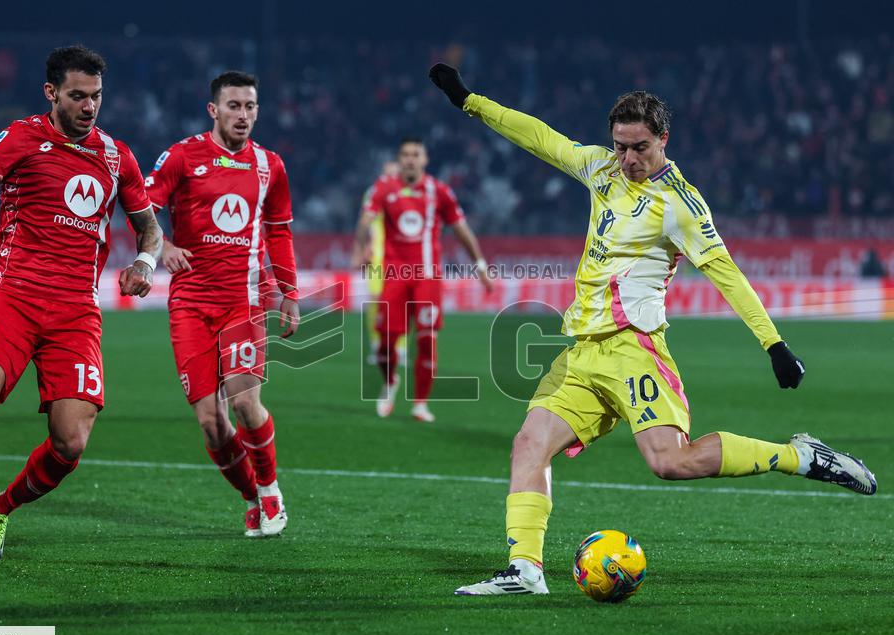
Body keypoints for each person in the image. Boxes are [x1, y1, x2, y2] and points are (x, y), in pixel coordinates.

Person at [428, 63, 878, 595]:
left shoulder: (680, 206)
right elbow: (540, 137)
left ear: (664, 139)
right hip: (582, 353)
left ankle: (801, 456)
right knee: (529, 444)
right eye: (619, 146)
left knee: (671, 462)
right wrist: (468, 100)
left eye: (639, 147)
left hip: (634, 349)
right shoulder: (602, 170)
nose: (628, 159)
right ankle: (525, 570)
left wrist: (774, 344)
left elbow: (725, 274)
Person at [0, 45, 162, 564]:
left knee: (70, 444)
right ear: (52, 94)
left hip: (75, 312)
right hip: (13, 297)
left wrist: (145, 265)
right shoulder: (23, 137)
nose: (89, 107)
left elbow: (150, 229)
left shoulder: (119, 157)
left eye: (97, 97)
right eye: (77, 96)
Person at [145, 71, 298, 537]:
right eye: (234, 106)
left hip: (243, 301)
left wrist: (289, 293)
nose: (243, 115)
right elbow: (142, 204)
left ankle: (271, 493)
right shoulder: (181, 155)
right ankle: (251, 495)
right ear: (213, 110)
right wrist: (161, 246)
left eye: (250, 106)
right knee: (213, 423)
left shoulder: (270, 165)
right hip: (190, 302)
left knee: (246, 402)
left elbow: (280, 232)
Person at [352, 137, 492, 422]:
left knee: (427, 339)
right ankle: (390, 381)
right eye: (405, 154)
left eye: (416, 154)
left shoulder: (438, 191)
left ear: (425, 159)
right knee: (386, 341)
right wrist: (362, 249)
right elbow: (365, 220)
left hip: (427, 277)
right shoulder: (384, 188)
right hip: (394, 275)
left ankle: (420, 403)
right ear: (399, 159)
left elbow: (461, 229)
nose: (410, 159)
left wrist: (479, 264)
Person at [361, 161, 407, 366]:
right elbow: (365, 221)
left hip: (401, 254)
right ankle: (377, 345)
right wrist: (365, 245)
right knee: (375, 300)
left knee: (402, 302)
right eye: (387, 174)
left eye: (394, 174)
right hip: (379, 253)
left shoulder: (409, 192)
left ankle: (401, 347)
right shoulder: (374, 192)